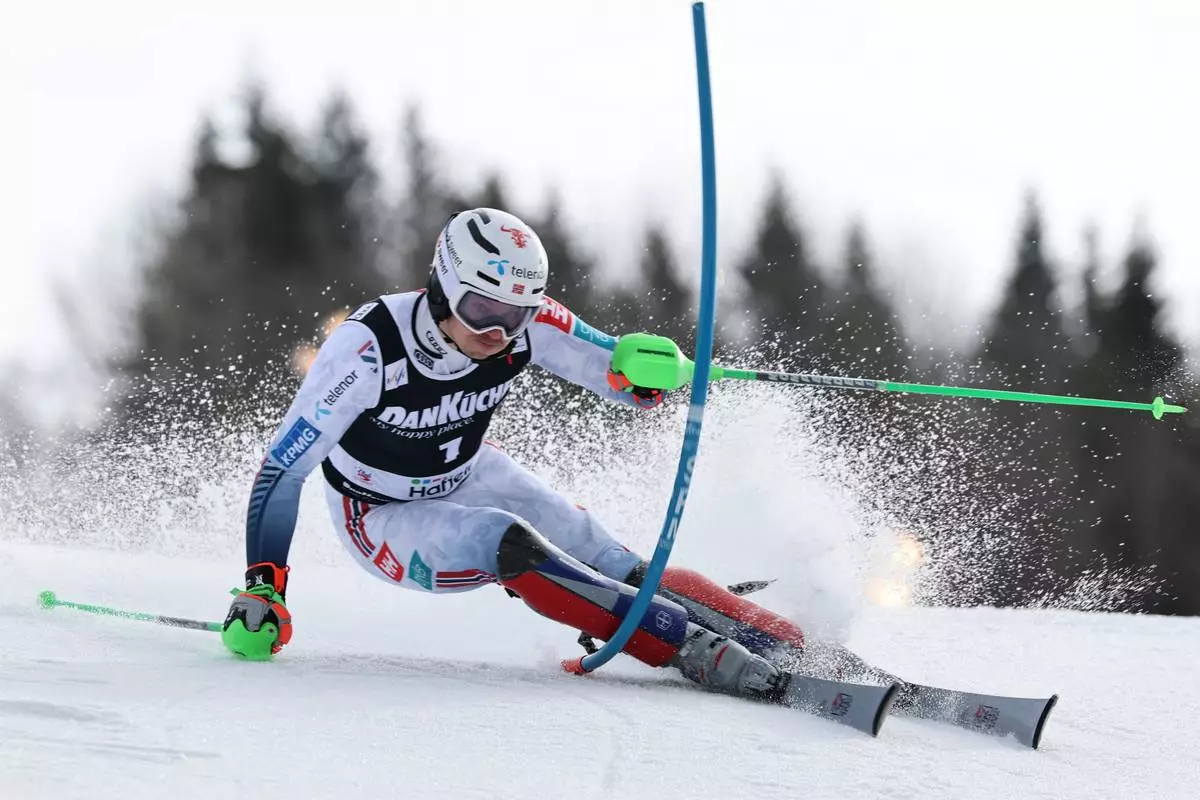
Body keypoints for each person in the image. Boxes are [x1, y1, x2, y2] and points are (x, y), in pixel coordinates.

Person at [222, 208, 806, 700]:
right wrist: (263, 587)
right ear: (443, 285)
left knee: (606, 554)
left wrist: (650, 371)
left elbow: (616, 372)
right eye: (483, 313)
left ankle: (779, 640)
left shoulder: (526, 319)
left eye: (517, 316)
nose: (499, 334)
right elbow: (283, 470)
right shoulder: (369, 348)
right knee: (503, 538)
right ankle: (689, 648)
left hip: (469, 472)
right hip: (380, 515)